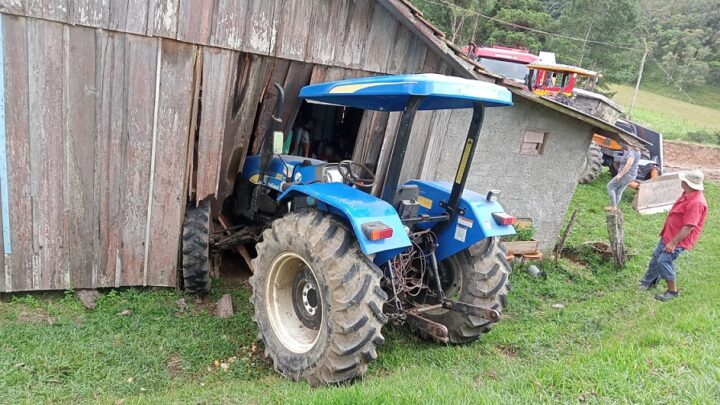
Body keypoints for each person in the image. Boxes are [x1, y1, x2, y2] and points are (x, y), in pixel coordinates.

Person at [639, 170, 707, 301]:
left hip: (678, 239)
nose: (681, 182)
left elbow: (689, 227)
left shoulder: (696, 202)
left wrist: (673, 243)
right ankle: (648, 281)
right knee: (656, 257)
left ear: (688, 183)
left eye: (684, 180)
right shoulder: (688, 194)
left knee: (663, 260)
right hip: (669, 234)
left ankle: (672, 291)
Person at [606, 145, 641, 211]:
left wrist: (620, 175)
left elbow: (629, 164)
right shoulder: (638, 151)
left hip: (626, 175)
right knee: (619, 190)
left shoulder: (631, 152)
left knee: (610, 186)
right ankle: (614, 207)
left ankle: (613, 206)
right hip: (632, 175)